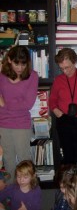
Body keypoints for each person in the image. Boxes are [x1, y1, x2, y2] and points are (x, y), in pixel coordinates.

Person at [0, 46, 38, 183]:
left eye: (23, 64)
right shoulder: (2, 75)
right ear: (9, 60)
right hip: (3, 123)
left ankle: (28, 193)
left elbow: (27, 104)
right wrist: (12, 103)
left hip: (21, 123)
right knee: (8, 159)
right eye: (17, 63)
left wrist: (5, 104)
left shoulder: (33, 76)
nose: (20, 68)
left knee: (24, 160)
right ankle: (11, 194)